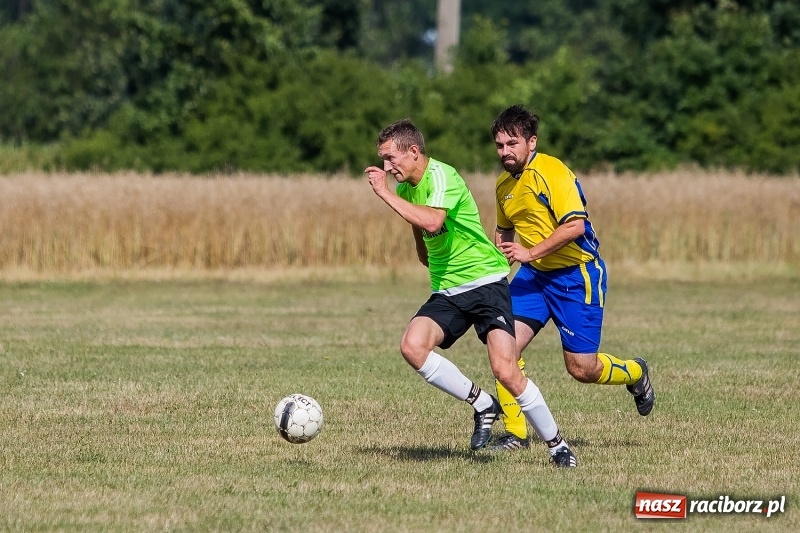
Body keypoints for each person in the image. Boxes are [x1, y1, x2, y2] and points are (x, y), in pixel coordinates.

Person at [364, 118, 577, 467]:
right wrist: (422, 248)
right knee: (412, 346)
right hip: (448, 288)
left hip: (485, 282)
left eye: (391, 159)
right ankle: (483, 404)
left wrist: (383, 192)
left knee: (506, 369)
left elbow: (433, 221)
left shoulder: (441, 176)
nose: (387, 168)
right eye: (384, 160)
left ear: (414, 151)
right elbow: (423, 230)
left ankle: (558, 446)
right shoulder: (405, 189)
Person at [486, 104, 655, 453]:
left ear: (531, 142)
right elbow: (504, 236)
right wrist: (495, 262)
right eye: (500, 145)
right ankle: (515, 433)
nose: (505, 151)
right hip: (533, 277)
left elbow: (575, 226)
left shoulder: (552, 171)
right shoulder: (503, 186)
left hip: (577, 275)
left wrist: (530, 253)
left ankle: (636, 373)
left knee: (582, 368)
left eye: (512, 144)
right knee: (502, 347)